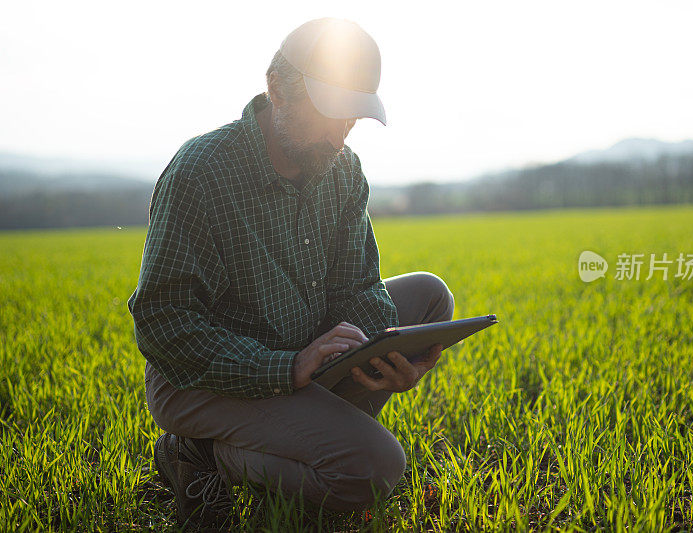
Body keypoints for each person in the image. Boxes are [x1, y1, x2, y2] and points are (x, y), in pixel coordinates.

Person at [127, 17, 455, 528]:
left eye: (355, 114)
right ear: (276, 88)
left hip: (303, 352)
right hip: (203, 380)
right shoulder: (202, 171)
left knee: (430, 299)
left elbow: (359, 286)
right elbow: (163, 322)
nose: (342, 131)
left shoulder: (342, 169)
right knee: (375, 469)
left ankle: (301, 437)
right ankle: (201, 457)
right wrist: (284, 368)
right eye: (331, 110)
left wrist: (390, 352)